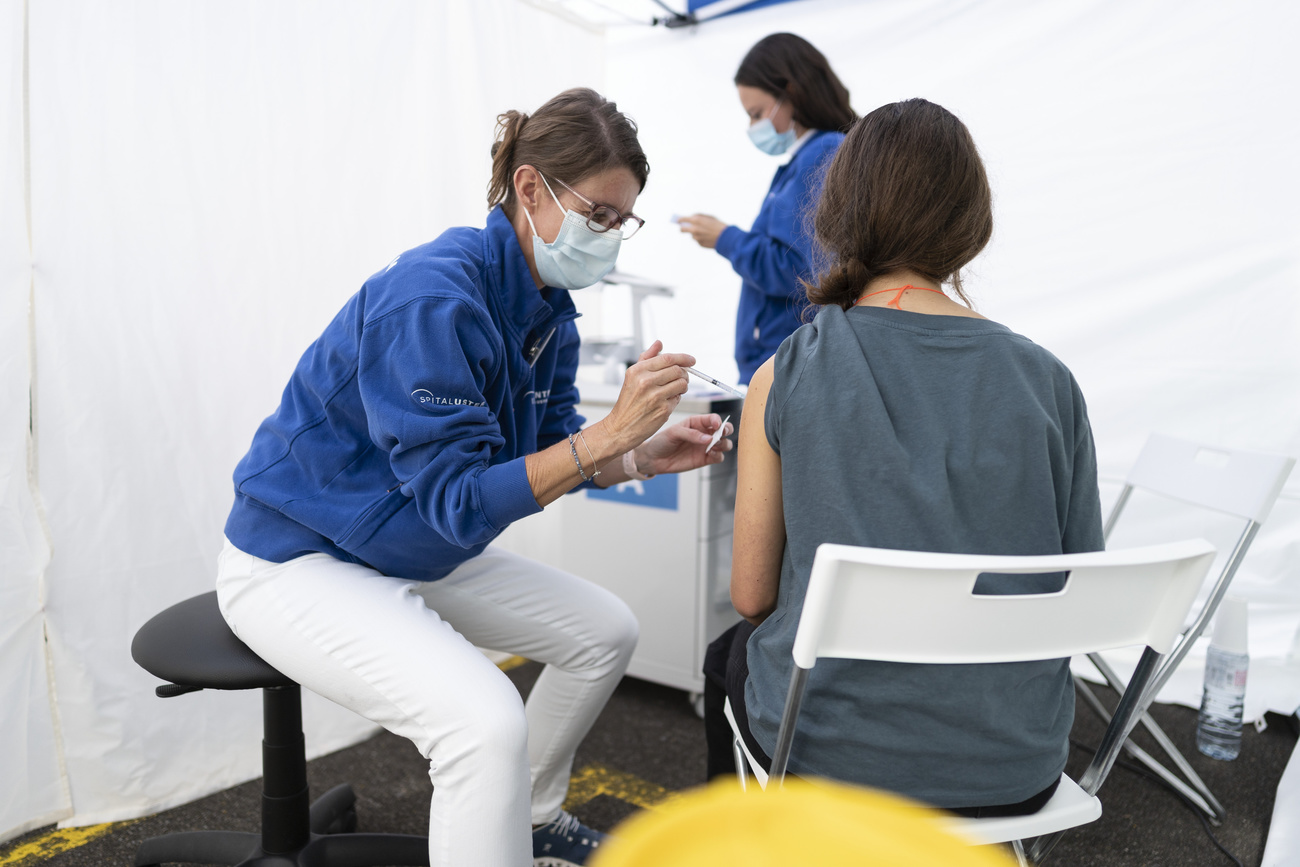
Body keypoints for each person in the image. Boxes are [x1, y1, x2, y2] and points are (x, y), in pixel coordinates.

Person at [216, 87, 732, 867]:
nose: (609, 240)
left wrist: (635, 454)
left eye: (620, 222)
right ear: (531, 188)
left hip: (401, 545)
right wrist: (604, 439)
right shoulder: (432, 299)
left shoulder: (547, 308)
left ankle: (530, 819)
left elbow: (555, 449)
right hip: (296, 559)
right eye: (597, 215)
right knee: (484, 723)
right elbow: (460, 503)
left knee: (604, 631)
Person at [703, 99, 1104, 817]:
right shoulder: (1050, 381)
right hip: (1014, 767)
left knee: (725, 654)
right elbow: (1077, 588)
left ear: (840, 212)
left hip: (825, 751)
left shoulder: (786, 373)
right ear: (970, 222)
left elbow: (754, 596)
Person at [677, 33, 855, 384]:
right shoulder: (805, 159)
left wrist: (726, 239)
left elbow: (801, 269)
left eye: (756, 113)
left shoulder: (823, 153)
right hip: (780, 358)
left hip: (787, 360)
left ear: (791, 93)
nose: (752, 126)